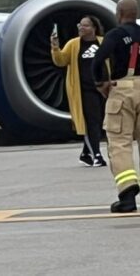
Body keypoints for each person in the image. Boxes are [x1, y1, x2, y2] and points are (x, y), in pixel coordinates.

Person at [92, 0, 140, 213]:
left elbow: (97, 60)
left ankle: (127, 195)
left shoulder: (115, 35)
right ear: (137, 13)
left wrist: (100, 84)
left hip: (122, 89)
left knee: (120, 142)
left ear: (119, 13)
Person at [51, 16, 109, 168]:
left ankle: (85, 154)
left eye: (85, 26)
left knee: (99, 120)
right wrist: (55, 48)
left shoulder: (103, 42)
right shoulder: (73, 44)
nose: (81, 28)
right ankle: (96, 155)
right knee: (92, 121)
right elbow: (61, 61)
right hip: (84, 89)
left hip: (103, 88)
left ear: (94, 28)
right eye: (80, 25)